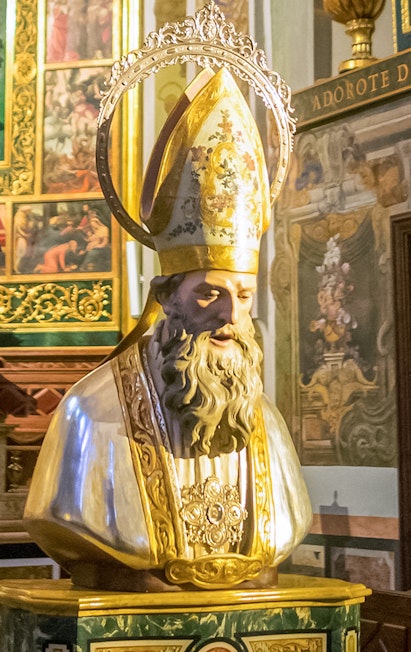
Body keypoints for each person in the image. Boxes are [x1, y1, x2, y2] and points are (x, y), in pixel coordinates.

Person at [24, 67, 311, 592]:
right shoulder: (91, 411)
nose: (230, 315)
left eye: (244, 296)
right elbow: (62, 522)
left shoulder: (264, 421)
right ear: (165, 298)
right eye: (209, 294)